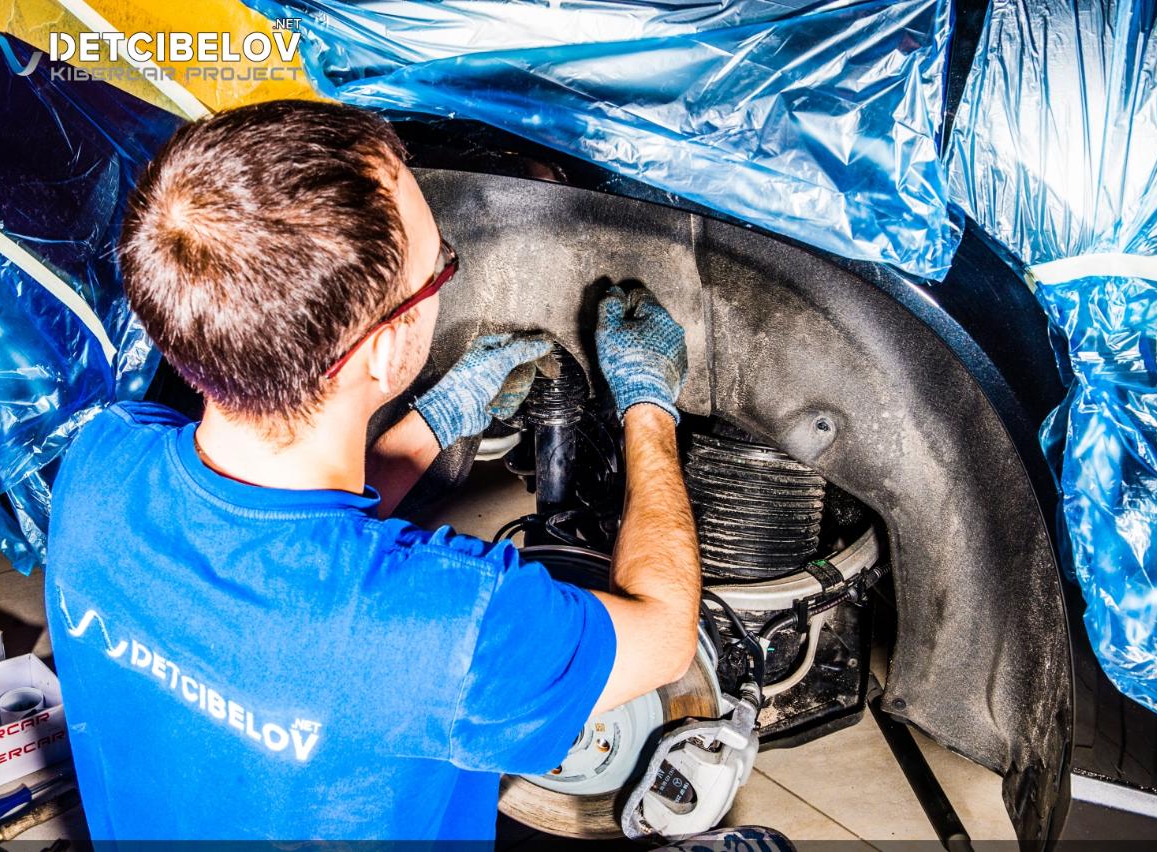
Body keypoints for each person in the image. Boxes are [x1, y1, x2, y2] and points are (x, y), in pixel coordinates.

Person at [46, 99, 701, 842]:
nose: (445, 276)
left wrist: (435, 423)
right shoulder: (458, 629)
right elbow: (666, 634)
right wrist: (648, 406)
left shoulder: (98, 465)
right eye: (442, 268)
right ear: (386, 350)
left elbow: (288, 556)